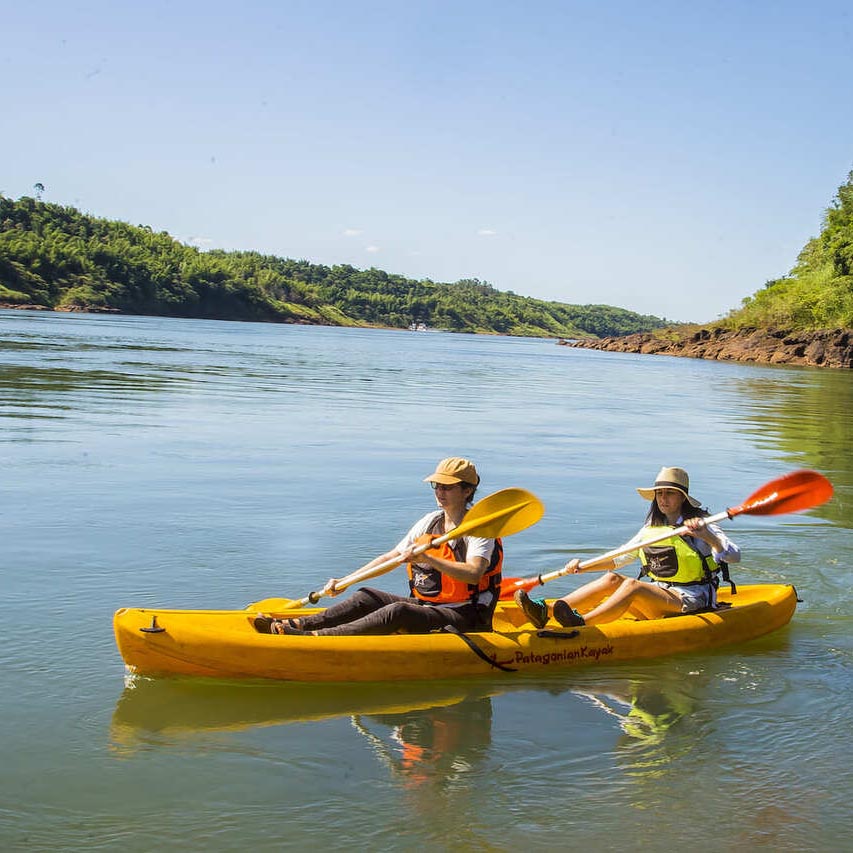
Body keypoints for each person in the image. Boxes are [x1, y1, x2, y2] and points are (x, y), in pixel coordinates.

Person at [255, 457, 503, 636]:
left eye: (447, 487)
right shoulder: (431, 521)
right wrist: (345, 581)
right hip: (431, 607)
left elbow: (474, 573)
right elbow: (391, 557)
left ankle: (315, 639)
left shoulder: (480, 530)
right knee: (366, 596)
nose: (439, 492)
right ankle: (300, 625)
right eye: (436, 485)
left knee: (397, 612)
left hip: (466, 615)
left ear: (467, 490)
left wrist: (429, 559)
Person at [515, 466, 740, 628]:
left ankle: (582, 623)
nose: (663, 499)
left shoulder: (703, 524)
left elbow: (734, 555)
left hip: (693, 600)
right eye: (659, 493)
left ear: (682, 498)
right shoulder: (651, 528)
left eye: (669, 493)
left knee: (633, 585)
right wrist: (582, 567)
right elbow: (618, 558)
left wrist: (708, 536)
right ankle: (547, 611)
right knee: (611, 579)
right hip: (663, 596)